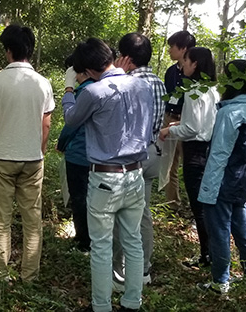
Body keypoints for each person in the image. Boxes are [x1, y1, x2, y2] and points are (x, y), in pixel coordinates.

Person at [63, 38, 153, 312]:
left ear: (88, 70)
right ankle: (132, 302)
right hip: (135, 174)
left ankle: (101, 305)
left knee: (101, 246)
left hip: (105, 178)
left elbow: (71, 119)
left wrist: (69, 89)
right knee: (133, 241)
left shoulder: (94, 92)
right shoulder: (143, 85)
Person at [0, 24, 54, 282]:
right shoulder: (43, 83)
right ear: (29, 51)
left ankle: (0, 275)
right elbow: (46, 124)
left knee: (0, 220)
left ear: (8, 50)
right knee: (32, 219)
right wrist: (39, 151)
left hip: (1, 158)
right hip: (32, 159)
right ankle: (29, 275)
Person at [197, 60, 246, 295]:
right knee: (241, 227)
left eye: (227, 76)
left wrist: (207, 190)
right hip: (241, 180)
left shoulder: (229, 112)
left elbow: (219, 154)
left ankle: (220, 282)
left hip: (222, 182)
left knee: (219, 232)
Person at [111, 33, 166, 289]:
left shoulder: (126, 83)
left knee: (120, 212)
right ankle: (144, 269)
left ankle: (119, 270)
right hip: (153, 152)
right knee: (143, 212)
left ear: (126, 58)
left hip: (128, 158)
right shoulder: (158, 82)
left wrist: (115, 77)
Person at [159, 47, 219, 269]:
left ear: (195, 64)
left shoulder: (193, 91)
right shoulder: (210, 89)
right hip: (207, 149)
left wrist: (169, 131)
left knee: (199, 207)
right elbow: (203, 123)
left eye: (185, 61)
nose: (182, 65)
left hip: (195, 151)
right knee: (204, 205)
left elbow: (192, 128)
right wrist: (178, 124)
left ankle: (207, 256)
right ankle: (211, 254)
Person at [57, 55, 94, 253]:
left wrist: (61, 143)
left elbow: (72, 123)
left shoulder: (83, 92)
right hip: (92, 155)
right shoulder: (96, 88)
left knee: (79, 198)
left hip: (79, 154)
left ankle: (84, 241)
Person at [161, 31, 196, 210]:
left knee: (191, 164)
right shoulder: (170, 72)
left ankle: (196, 205)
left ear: (183, 49)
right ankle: (172, 204)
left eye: (172, 47)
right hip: (170, 118)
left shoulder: (195, 73)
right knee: (169, 163)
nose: (169, 51)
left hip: (187, 122)